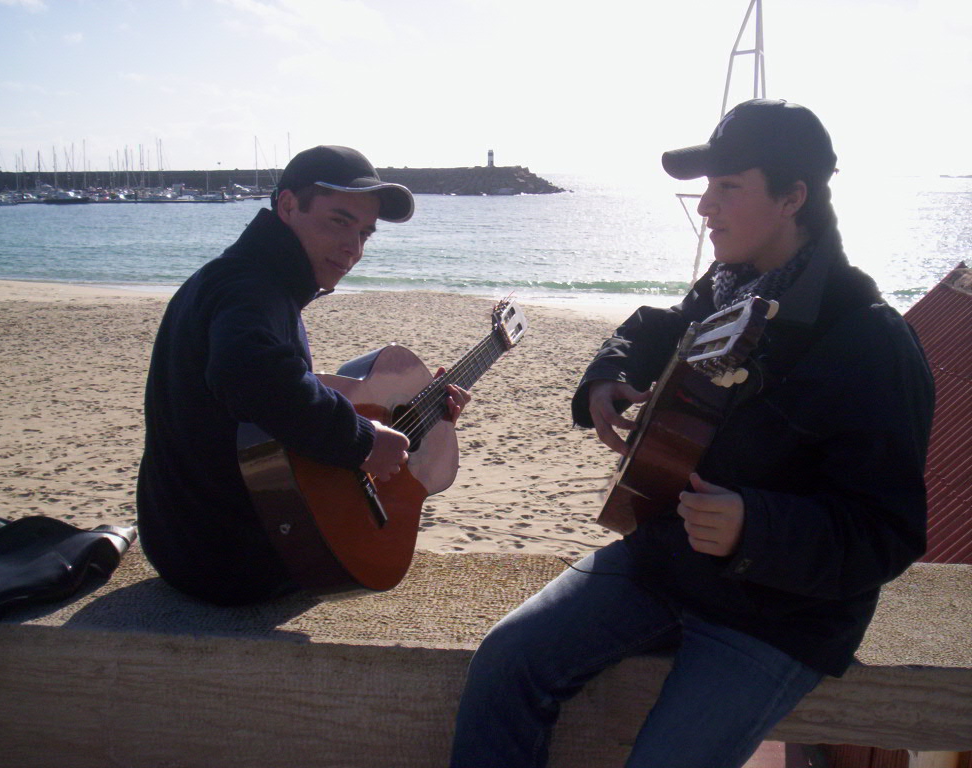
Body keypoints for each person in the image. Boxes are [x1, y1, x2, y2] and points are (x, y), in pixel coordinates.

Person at [449, 99, 935, 767]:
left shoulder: (871, 341)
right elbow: (653, 328)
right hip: (666, 561)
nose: (705, 207)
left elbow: (889, 532)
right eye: (707, 187)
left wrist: (753, 527)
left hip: (779, 613)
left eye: (728, 187)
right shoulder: (729, 287)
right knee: (507, 661)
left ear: (794, 196)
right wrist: (606, 376)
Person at [136, 145, 469, 606]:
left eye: (365, 234)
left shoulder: (255, 281)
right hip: (223, 560)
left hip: (196, 543)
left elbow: (274, 392)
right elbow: (247, 374)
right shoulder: (248, 287)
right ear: (289, 206)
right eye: (339, 221)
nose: (353, 248)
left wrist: (416, 415)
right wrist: (361, 440)